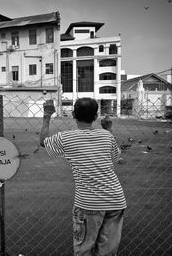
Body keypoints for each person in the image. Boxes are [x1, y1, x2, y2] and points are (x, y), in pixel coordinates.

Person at [39, 98, 126, 256]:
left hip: (88, 203)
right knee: (107, 251)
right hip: (115, 200)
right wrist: (109, 129)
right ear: (96, 116)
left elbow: (43, 142)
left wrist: (47, 115)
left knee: (84, 249)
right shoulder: (106, 136)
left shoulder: (66, 138)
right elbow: (116, 156)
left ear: (73, 114)